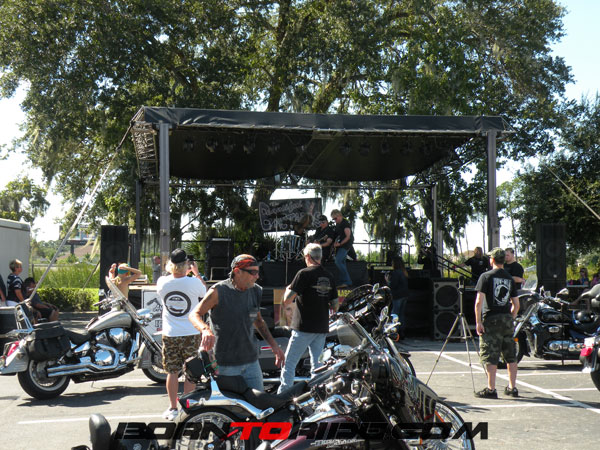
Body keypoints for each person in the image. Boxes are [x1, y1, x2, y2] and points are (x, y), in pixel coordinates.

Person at [189, 254, 285, 391]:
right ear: (237, 271)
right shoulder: (218, 291)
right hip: (225, 364)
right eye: (253, 272)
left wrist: (274, 346)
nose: (257, 276)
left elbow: (258, 321)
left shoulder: (256, 290)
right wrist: (205, 329)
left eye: (258, 272)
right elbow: (194, 314)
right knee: (231, 403)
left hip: (251, 362)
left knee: (258, 402)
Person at [278, 243, 338, 393]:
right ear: (320, 257)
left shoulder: (303, 274)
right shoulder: (330, 276)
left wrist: (288, 289)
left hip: (303, 328)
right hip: (321, 327)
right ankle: (317, 395)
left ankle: (283, 395)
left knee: (289, 363)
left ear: (308, 257)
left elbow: (287, 300)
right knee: (318, 366)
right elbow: (335, 305)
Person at [156, 248, 207, 421]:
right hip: (191, 332)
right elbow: (205, 293)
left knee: (172, 372)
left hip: (170, 333)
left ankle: (172, 407)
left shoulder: (162, 282)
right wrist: (196, 273)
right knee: (191, 372)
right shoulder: (193, 282)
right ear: (187, 264)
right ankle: (187, 406)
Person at [474, 247, 520, 399]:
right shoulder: (509, 278)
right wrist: (510, 318)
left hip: (491, 319)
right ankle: (512, 387)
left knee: (490, 354)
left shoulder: (486, 276)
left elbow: (479, 302)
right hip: (506, 318)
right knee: (510, 354)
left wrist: (478, 322)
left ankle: (491, 389)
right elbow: (516, 304)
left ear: (492, 260)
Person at [386, 256, 409, 338]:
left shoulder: (396, 273)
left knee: (395, 314)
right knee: (401, 314)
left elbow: (393, 285)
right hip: (404, 295)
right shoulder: (404, 272)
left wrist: (388, 281)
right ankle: (402, 331)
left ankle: (395, 332)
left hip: (397, 296)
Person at [330, 209, 354, 288]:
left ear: (340, 216)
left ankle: (347, 281)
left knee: (338, 261)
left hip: (345, 245)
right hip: (341, 245)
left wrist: (340, 244)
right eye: (333, 219)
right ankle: (343, 282)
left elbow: (348, 237)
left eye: (335, 218)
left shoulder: (345, 223)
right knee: (341, 262)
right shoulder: (338, 224)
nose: (335, 220)